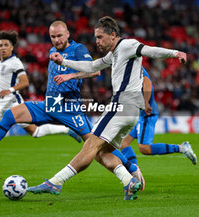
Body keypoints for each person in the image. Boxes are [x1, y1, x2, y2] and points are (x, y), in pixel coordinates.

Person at [27, 16, 188, 200]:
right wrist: (63, 62)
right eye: (96, 37)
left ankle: (55, 182)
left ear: (112, 35)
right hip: (131, 113)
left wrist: (175, 53)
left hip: (121, 107)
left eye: (100, 37)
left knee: (90, 145)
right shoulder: (114, 54)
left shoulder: (128, 45)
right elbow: (92, 65)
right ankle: (129, 181)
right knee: (102, 151)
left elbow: (149, 50)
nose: (97, 42)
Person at [0, 30, 83, 175]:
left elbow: (25, 81)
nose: (3, 47)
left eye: (6, 45)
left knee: (34, 132)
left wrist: (10, 90)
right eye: (0, 45)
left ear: (12, 47)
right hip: (0, 104)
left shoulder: (15, 62)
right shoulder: (1, 63)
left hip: (12, 102)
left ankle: (68, 130)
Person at [112, 67, 197, 190]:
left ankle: (182, 148)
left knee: (144, 148)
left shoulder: (133, 65)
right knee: (123, 143)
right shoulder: (125, 65)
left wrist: (146, 103)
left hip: (146, 114)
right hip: (139, 113)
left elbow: (147, 82)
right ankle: (135, 171)